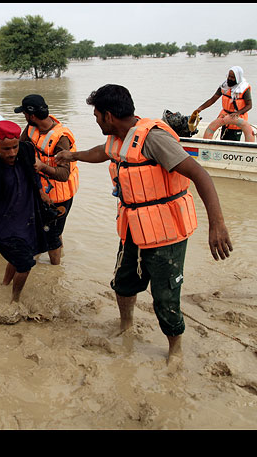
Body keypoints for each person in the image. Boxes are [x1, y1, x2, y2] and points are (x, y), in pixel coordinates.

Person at [55, 84, 233, 362]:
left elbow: (201, 175)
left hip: (166, 233)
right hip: (133, 228)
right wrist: (73, 155)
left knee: (165, 296)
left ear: (109, 116)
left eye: (97, 116)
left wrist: (217, 225)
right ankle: (126, 326)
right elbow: (103, 152)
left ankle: (175, 350)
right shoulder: (119, 137)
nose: (97, 121)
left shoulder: (154, 140)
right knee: (123, 283)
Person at [0, 120, 48, 303]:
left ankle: (5, 285)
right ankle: (14, 301)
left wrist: (40, 190)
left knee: (20, 258)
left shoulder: (26, 153)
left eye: (15, 147)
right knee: (25, 265)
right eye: (6, 149)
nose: (12, 153)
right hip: (5, 228)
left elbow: (34, 174)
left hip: (28, 221)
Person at [15, 94, 79, 265]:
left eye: (25, 114)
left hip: (60, 196)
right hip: (41, 191)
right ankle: (57, 252)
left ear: (32, 115)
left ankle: (55, 270)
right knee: (52, 230)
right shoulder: (30, 128)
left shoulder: (61, 138)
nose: (24, 117)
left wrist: (42, 166)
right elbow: (20, 149)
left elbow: (64, 175)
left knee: (51, 235)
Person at [194, 66, 255, 142]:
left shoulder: (244, 89)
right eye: (229, 76)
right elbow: (213, 99)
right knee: (223, 138)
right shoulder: (224, 86)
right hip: (225, 117)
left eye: (232, 77)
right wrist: (200, 108)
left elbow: (249, 105)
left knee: (233, 140)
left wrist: (238, 113)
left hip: (237, 118)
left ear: (237, 78)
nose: (230, 78)